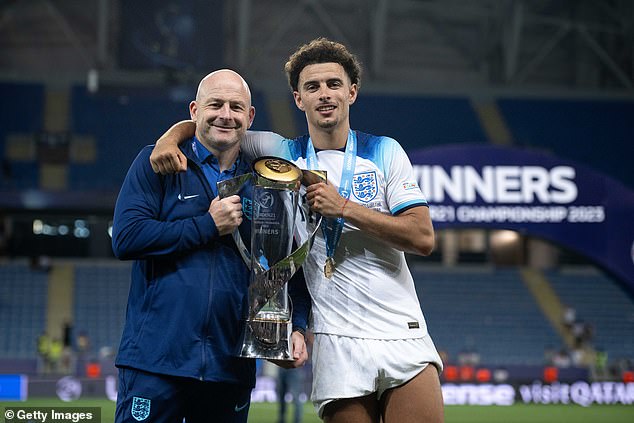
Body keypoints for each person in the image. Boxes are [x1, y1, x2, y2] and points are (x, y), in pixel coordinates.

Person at [150, 39, 444, 423]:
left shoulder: (386, 151)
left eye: (333, 84)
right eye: (312, 86)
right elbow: (216, 124)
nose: (324, 94)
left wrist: (344, 208)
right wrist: (169, 138)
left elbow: (422, 238)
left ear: (351, 92)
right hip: (335, 338)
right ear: (298, 99)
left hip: (401, 329)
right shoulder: (281, 150)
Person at [111, 69, 309, 423]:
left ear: (249, 117)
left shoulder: (269, 183)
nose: (225, 114)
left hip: (229, 367)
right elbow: (126, 238)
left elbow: (287, 264)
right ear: (194, 111)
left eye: (236, 107)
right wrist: (207, 226)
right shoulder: (158, 162)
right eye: (215, 104)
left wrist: (297, 326)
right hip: (156, 362)